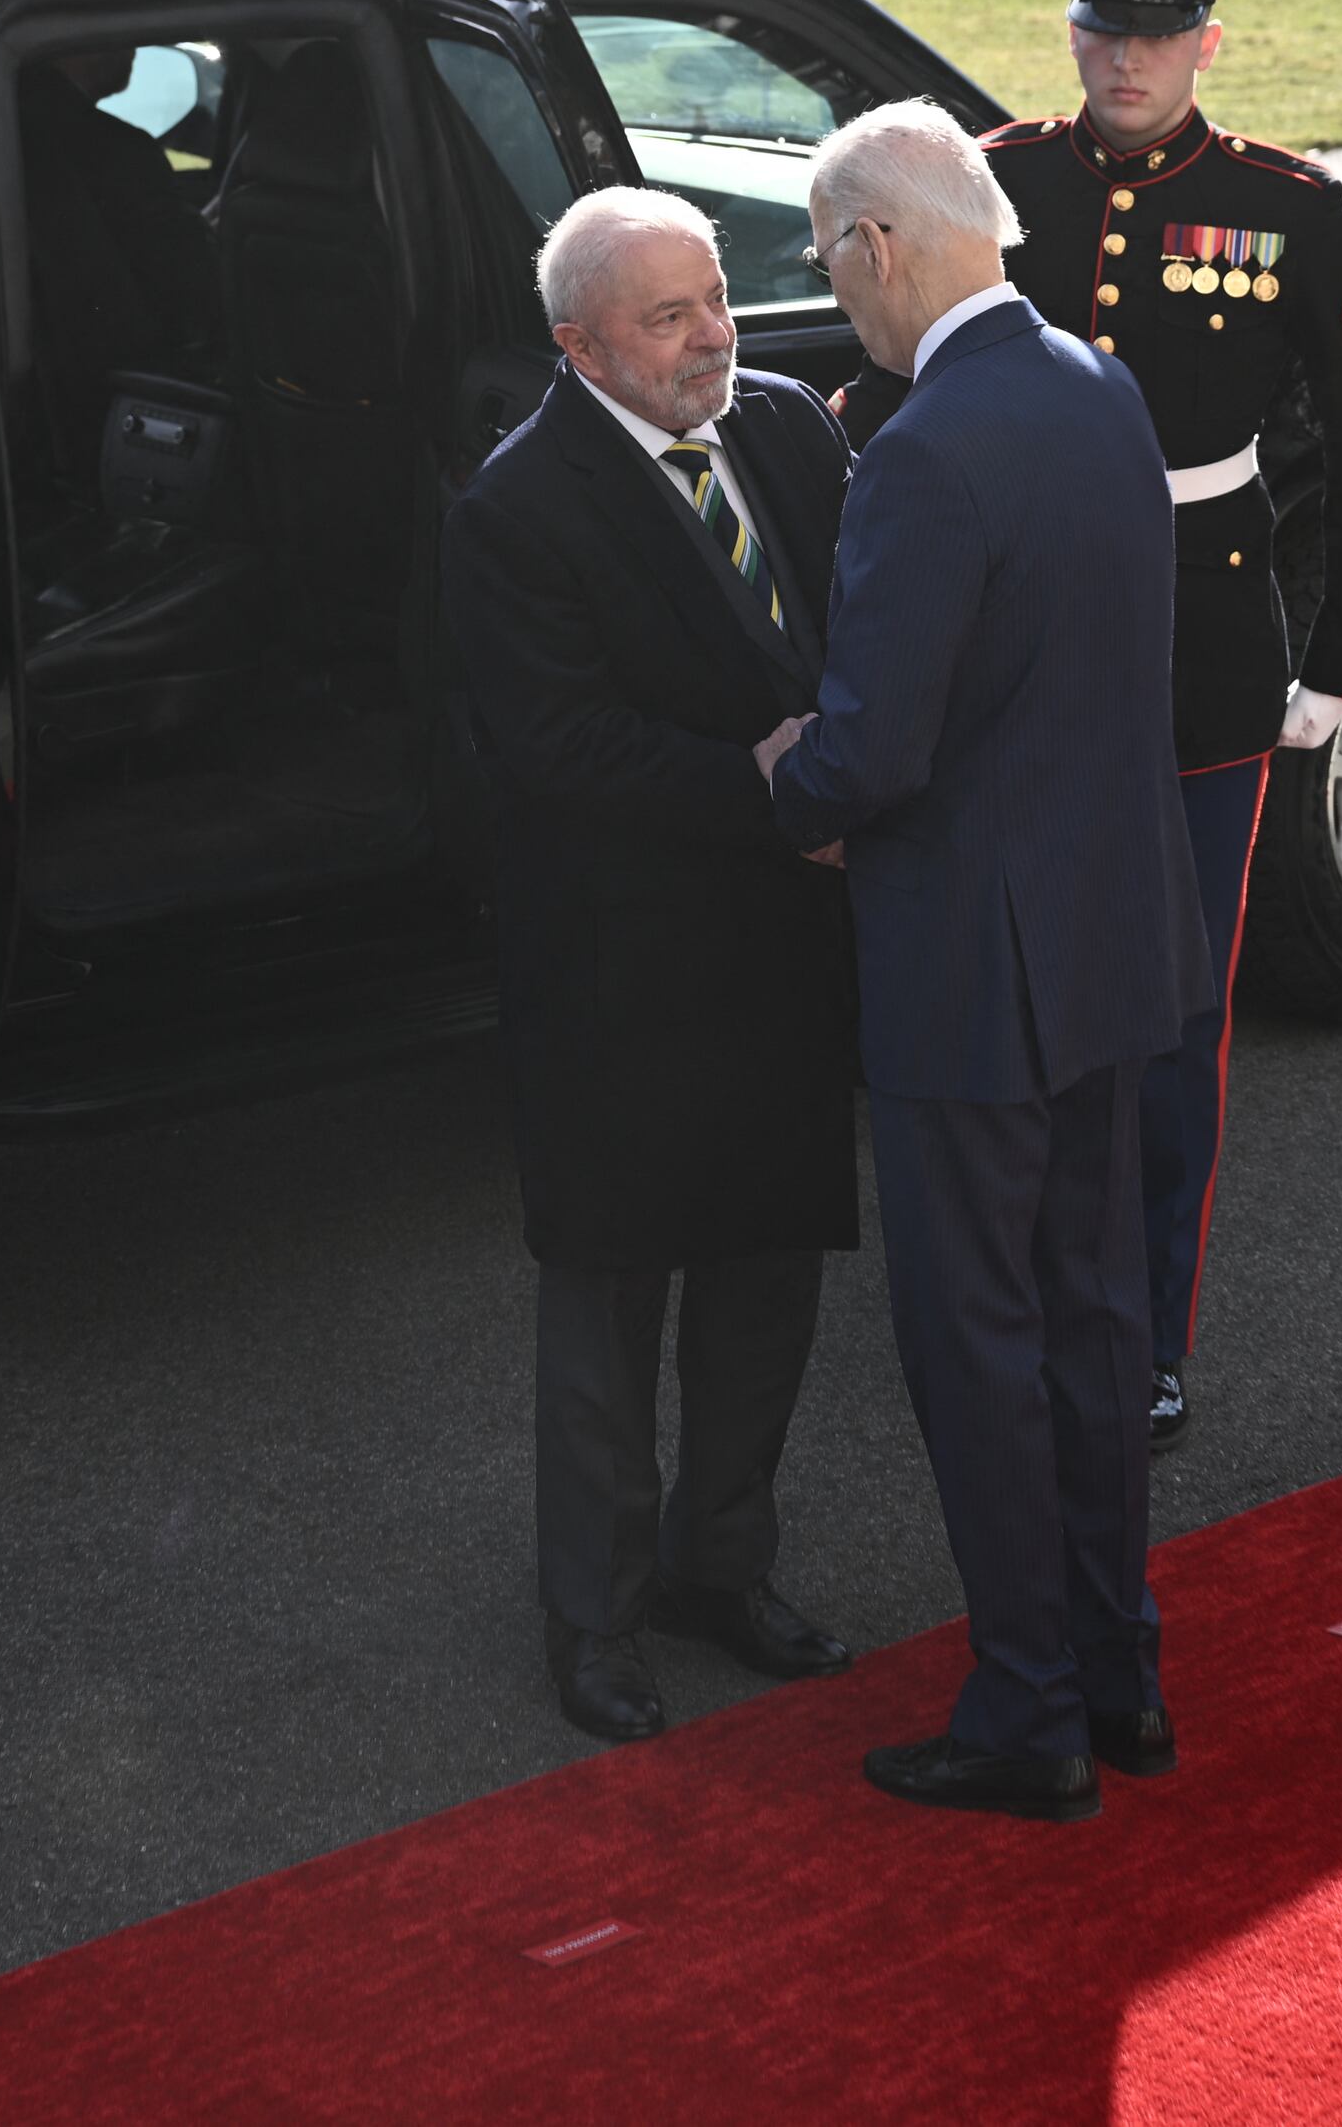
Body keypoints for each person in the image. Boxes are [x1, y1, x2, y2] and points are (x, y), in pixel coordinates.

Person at [763, 102, 1204, 1822]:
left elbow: (872, 751)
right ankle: (1120, 1671)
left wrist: (780, 782)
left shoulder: (929, 444)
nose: (835, 297)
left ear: (882, 244)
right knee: (1099, 1323)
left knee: (978, 1343)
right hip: (1112, 940)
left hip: (972, 971)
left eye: (828, 261)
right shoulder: (1099, 384)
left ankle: (1026, 1709)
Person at [973, 0, 1342, 1452]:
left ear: (1208, 42)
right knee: (1019, 997)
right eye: (1104, 24)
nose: (1127, 55)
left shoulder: (1283, 207)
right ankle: (1017, 1297)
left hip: (1198, 649)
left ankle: (1145, 1334)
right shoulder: (997, 177)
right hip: (1019, 642)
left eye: (1158, 29)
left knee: (1170, 1020)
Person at [448, 186, 864, 1747]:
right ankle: (599, 1617)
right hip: (622, 982)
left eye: (716, 298)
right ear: (577, 343)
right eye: (668, 317)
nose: (714, 337)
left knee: (766, 1287)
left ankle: (723, 1569)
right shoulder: (519, 506)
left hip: (786, 963)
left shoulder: (789, 429)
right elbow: (553, 750)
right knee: (610, 1324)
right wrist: (770, 785)